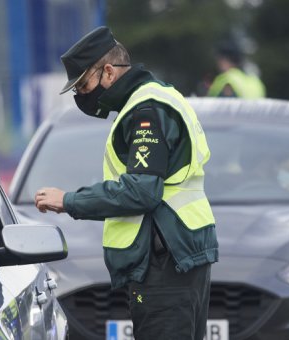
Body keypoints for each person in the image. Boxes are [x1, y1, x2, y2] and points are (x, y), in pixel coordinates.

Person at [34, 26, 218, 340]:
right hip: (180, 255)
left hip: (163, 263)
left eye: (83, 84)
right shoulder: (158, 96)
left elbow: (141, 192)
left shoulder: (145, 110)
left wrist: (68, 201)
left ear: (108, 72)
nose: (81, 95)